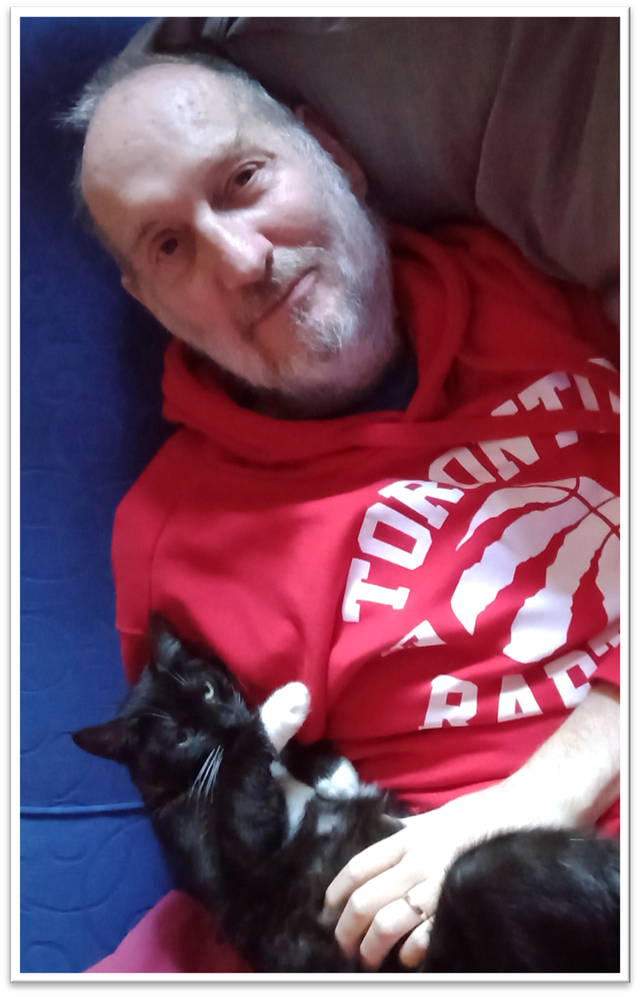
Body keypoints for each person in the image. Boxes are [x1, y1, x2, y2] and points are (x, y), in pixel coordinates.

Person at [68, 49, 620, 973]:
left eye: (244, 179)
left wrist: (549, 786)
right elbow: (236, 868)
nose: (242, 260)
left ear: (333, 151)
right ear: (149, 300)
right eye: (168, 246)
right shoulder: (176, 536)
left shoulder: (547, 277)